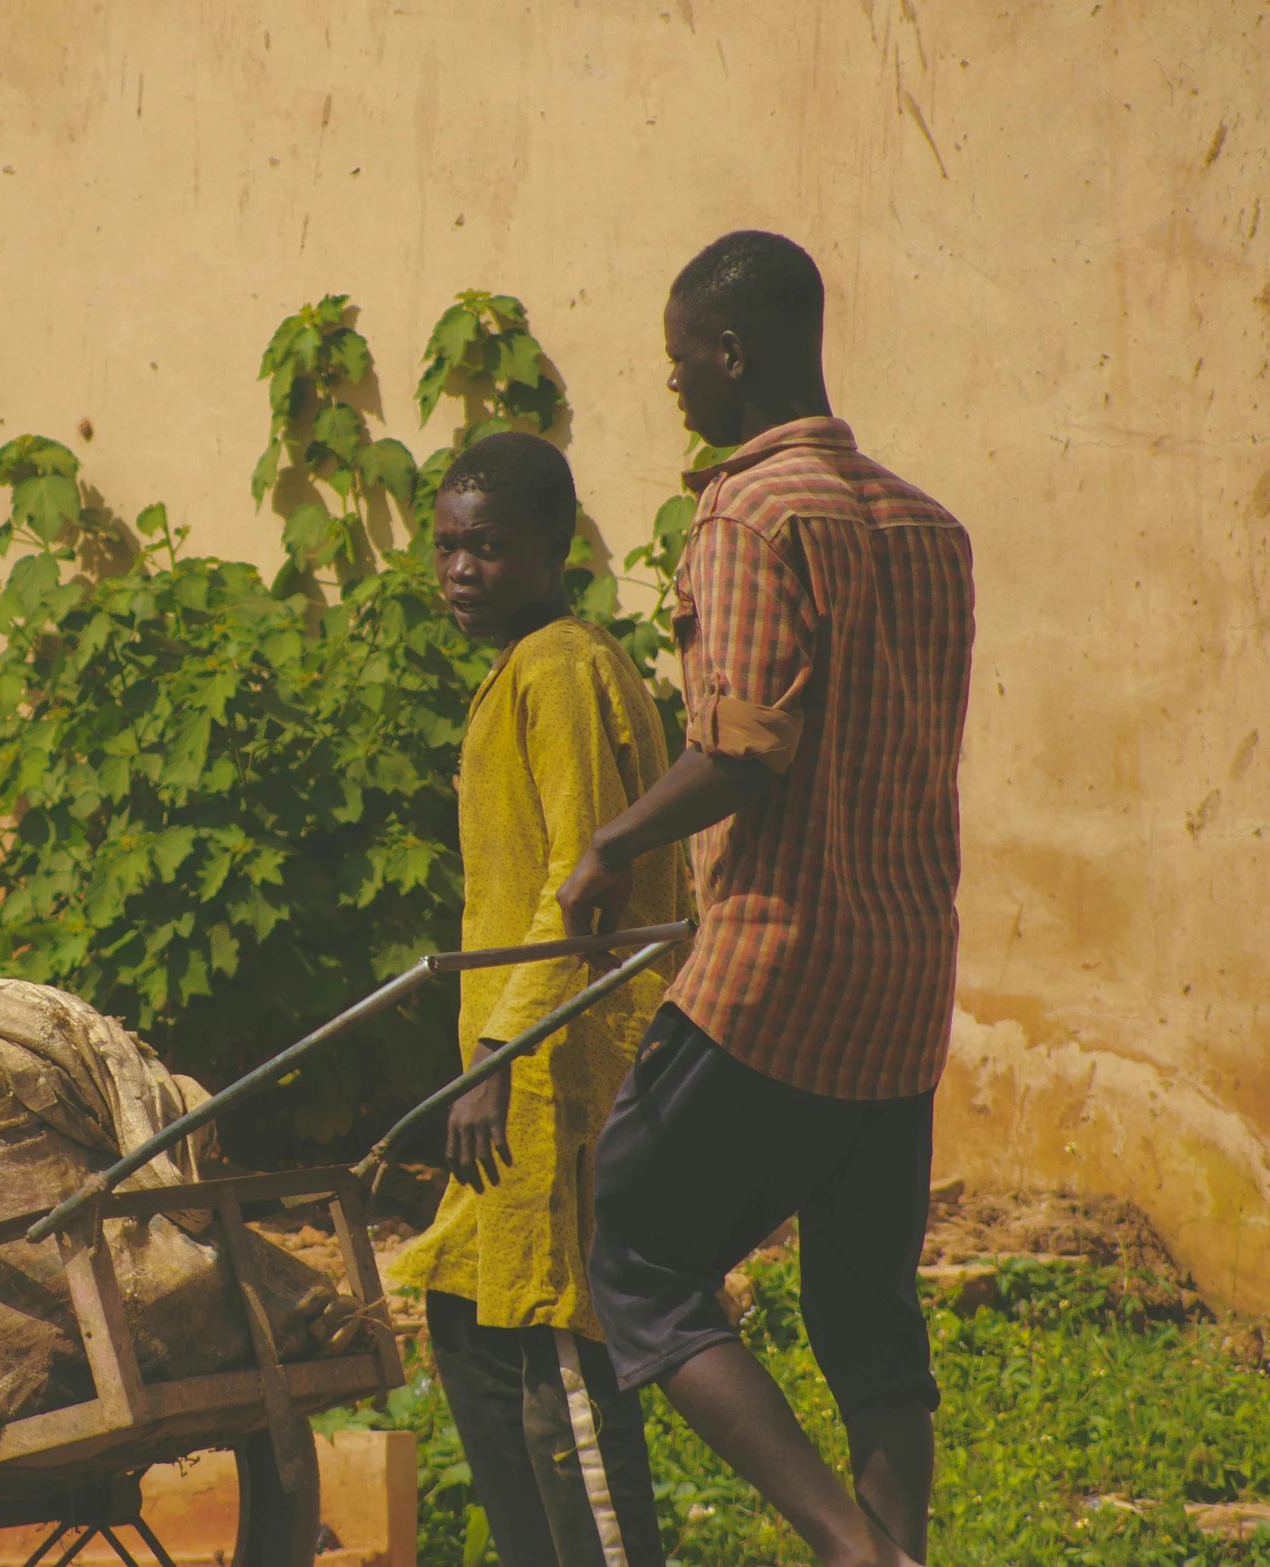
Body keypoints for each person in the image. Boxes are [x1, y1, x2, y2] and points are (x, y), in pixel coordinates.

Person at [557, 231, 976, 1567]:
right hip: (905, 982)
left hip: (775, 975)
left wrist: (608, 846)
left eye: (678, 360)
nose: (672, 386)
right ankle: (897, 1553)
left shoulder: (747, 513)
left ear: (728, 355)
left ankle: (844, 1547)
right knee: (863, 1304)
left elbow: (742, 744)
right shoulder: (928, 527)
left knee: (631, 1242)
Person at [389, 430, 689, 1567]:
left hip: (548, 1069)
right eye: (449, 548)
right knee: (466, 1325)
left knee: (556, 1356)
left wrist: (500, 1051)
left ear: (554, 549)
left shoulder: (561, 668)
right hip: (509, 1070)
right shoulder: (522, 668)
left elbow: (581, 880)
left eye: (490, 550)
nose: (462, 572)